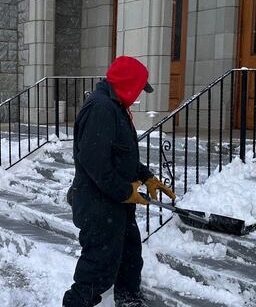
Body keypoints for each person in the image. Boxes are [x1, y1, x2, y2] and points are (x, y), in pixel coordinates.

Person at [63, 56, 177, 307]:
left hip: (114, 205)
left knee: (129, 258)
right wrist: (126, 191)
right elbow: (96, 163)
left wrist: (146, 177)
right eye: (138, 88)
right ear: (127, 84)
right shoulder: (101, 108)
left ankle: (128, 300)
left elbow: (120, 156)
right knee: (97, 270)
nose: (139, 94)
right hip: (99, 206)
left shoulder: (115, 107)